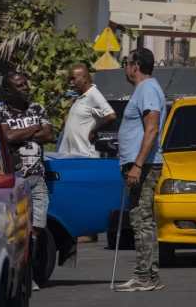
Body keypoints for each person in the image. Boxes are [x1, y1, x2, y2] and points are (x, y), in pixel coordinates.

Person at [0, 71, 54, 291]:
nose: (25, 87)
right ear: (8, 91)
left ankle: (27, 269)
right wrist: (33, 128)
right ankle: (23, 275)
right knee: (17, 230)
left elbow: (49, 135)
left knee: (38, 225)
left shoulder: (37, 108)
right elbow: (7, 137)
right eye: (19, 85)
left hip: (37, 177)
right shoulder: (0, 111)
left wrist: (21, 133)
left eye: (25, 83)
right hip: (15, 179)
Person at [115, 48, 166, 292]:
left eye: (126, 63)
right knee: (144, 219)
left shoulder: (147, 89)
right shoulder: (145, 90)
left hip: (143, 166)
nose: (125, 67)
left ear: (135, 65)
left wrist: (136, 165)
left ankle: (144, 276)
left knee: (140, 219)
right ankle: (150, 275)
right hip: (140, 164)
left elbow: (152, 128)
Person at [58, 65, 117, 158]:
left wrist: (94, 131)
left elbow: (111, 116)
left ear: (85, 78)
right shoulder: (81, 96)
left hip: (85, 156)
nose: (71, 82)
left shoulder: (94, 95)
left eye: (73, 79)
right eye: (70, 79)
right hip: (71, 155)